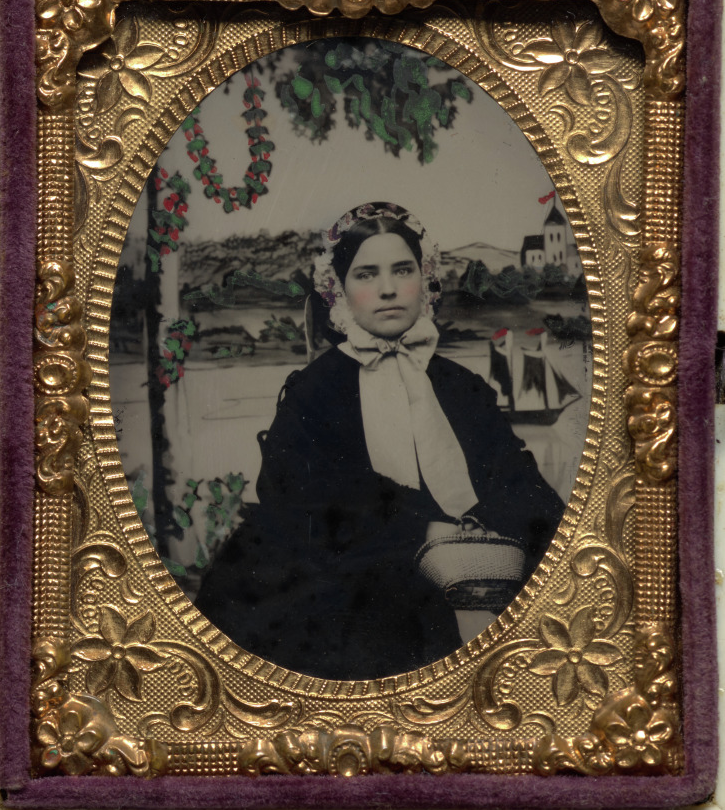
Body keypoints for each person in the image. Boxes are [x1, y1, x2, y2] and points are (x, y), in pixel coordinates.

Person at [195, 203, 563, 679]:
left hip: (468, 557)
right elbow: (300, 500)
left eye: (402, 270)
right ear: (340, 290)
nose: (388, 289)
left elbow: (519, 482)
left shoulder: (461, 386)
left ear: (425, 279)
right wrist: (423, 527)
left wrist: (482, 527)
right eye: (367, 274)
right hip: (357, 567)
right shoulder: (314, 389)